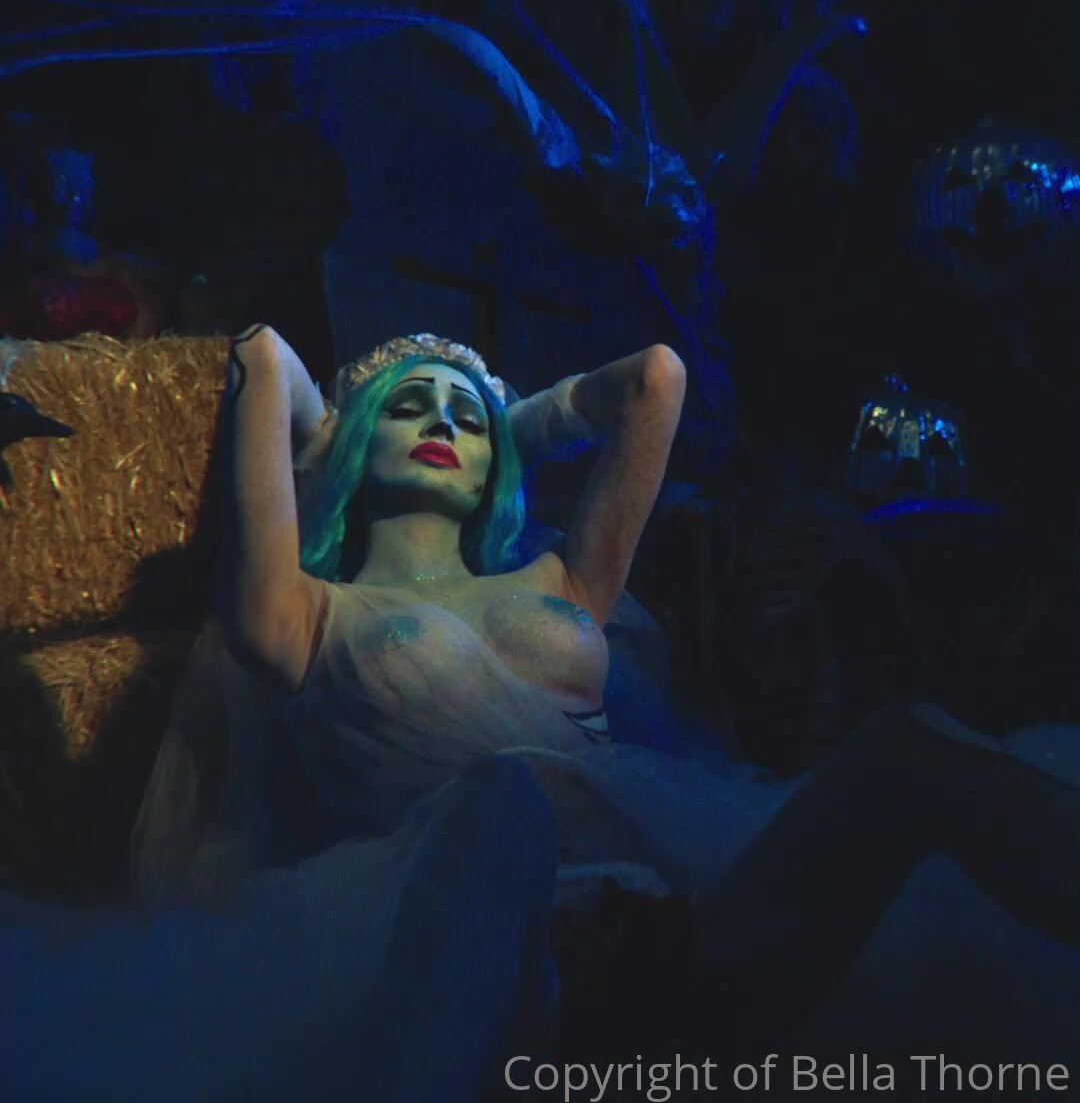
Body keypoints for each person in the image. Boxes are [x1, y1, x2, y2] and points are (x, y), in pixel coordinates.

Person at [4, 327, 1080, 1103]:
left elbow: (656, 380)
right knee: (503, 802)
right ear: (354, 439)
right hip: (488, 980)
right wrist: (337, 424)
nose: (443, 422)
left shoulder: (562, 585)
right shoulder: (301, 612)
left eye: (466, 420)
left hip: (671, 920)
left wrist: (511, 417)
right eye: (411, 408)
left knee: (911, 749)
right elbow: (262, 355)